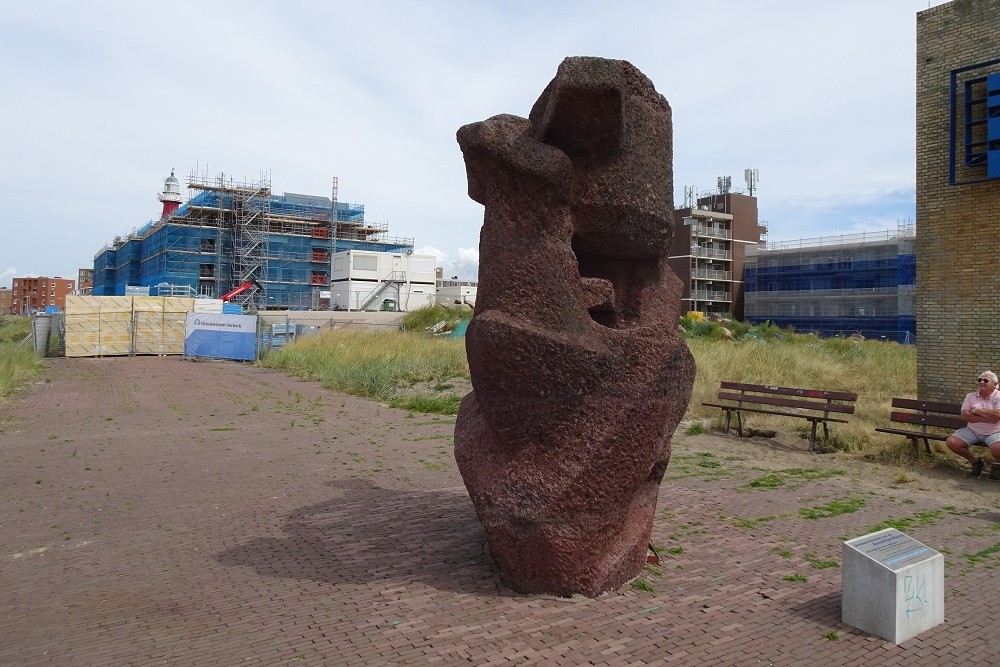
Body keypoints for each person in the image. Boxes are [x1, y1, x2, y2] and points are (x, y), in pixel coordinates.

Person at [945, 370, 1000, 478]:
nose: (982, 382)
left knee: (998, 448)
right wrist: (988, 418)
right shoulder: (970, 396)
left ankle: (997, 465)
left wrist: (976, 411)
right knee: (952, 442)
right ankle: (976, 463)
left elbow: (997, 415)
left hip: (994, 432)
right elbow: (965, 416)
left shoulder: (998, 397)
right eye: (979, 380)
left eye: (986, 380)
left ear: (994, 385)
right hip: (972, 430)